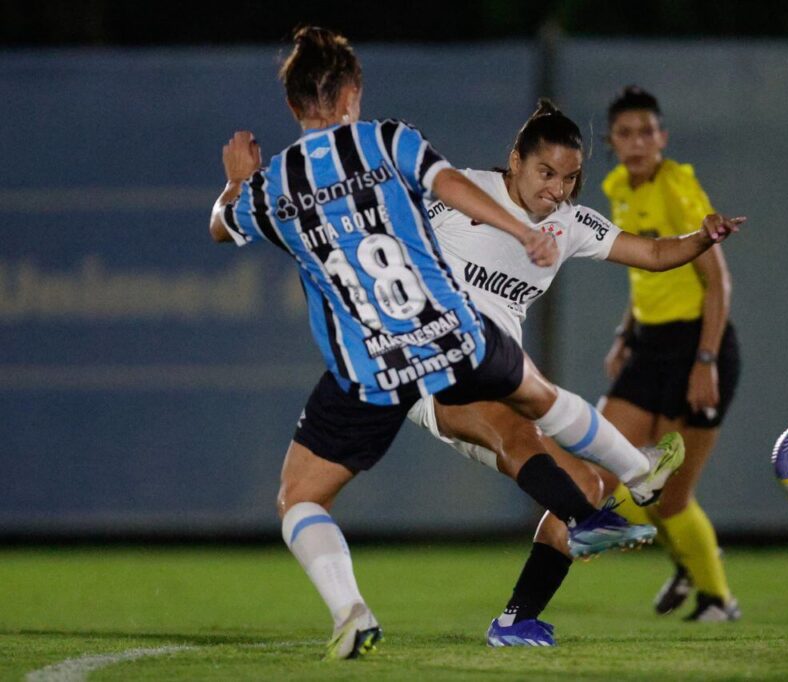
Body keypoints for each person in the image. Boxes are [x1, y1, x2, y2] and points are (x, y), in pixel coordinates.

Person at [209, 27, 681, 661]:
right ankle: (620, 488)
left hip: (370, 362)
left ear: (293, 105)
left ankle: (353, 611)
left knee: (300, 498)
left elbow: (221, 226)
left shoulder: (276, 186)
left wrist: (236, 183)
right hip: (452, 333)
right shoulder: (386, 139)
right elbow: (448, 184)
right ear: (353, 91)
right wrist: (520, 227)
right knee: (536, 401)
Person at [404, 99, 745, 645]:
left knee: (582, 481)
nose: (557, 189)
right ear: (514, 161)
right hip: (433, 369)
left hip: (497, 374)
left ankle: (518, 619)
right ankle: (630, 478)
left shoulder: (569, 222)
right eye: (546, 172)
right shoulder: (461, 192)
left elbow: (654, 253)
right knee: (529, 433)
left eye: (569, 177)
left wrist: (701, 239)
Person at [594, 86, 742, 622]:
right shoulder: (616, 187)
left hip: (696, 346)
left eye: (646, 131)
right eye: (625, 133)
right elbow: (646, 270)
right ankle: (686, 558)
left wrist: (705, 363)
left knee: (672, 495)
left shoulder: (678, 185)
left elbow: (717, 281)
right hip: (649, 346)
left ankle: (716, 599)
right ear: (611, 142)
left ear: (663, 138)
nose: (637, 142)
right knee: (603, 462)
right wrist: (624, 334)